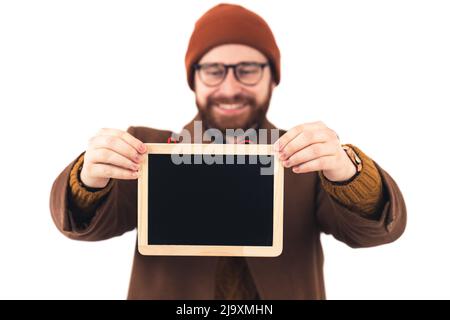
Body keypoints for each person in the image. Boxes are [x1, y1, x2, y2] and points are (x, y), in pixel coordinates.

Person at [50, 3, 406, 300]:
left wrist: (350, 173)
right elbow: (85, 227)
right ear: (194, 79)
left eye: (248, 70)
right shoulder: (146, 153)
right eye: (214, 71)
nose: (230, 87)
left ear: (273, 76)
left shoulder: (307, 159)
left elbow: (375, 232)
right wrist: (88, 179)